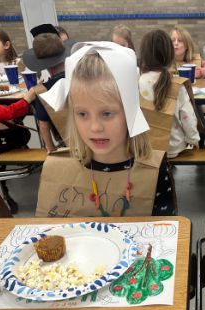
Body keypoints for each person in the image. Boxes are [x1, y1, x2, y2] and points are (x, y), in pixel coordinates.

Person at [35, 42, 175, 218]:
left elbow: (165, 228)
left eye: (107, 113)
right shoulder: (59, 169)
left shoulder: (154, 173)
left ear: (130, 112)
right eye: (82, 114)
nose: (95, 127)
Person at [138, 29, 201, 159]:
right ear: (169, 54)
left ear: (143, 54)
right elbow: (187, 117)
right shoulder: (177, 85)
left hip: (145, 147)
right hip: (173, 147)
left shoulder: (136, 82)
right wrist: (193, 139)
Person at [20, 24, 74, 153]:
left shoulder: (42, 91)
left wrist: (51, 150)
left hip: (66, 142)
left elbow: (43, 125)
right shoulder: (79, 78)